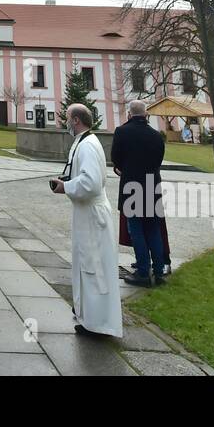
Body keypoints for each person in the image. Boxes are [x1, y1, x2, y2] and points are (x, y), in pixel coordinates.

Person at [50, 104, 122, 338]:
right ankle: (88, 315)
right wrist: (67, 180)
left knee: (95, 267)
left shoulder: (88, 145)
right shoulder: (83, 141)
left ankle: (99, 322)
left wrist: (66, 187)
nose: (65, 122)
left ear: (77, 120)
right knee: (86, 264)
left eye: (68, 118)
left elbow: (90, 183)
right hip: (85, 214)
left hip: (92, 215)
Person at [111, 99, 166, 287]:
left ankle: (143, 271)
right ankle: (159, 271)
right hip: (152, 185)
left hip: (131, 185)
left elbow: (115, 158)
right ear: (146, 114)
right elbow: (158, 160)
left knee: (135, 229)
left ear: (129, 114)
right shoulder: (156, 135)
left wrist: (123, 168)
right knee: (152, 228)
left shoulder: (122, 132)